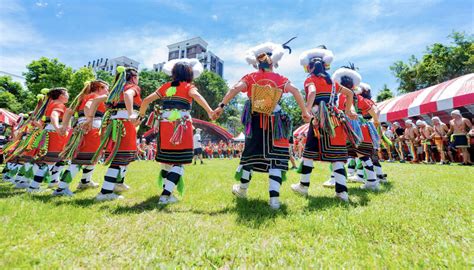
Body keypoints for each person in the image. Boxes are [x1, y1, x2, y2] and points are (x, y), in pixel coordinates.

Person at [214, 41, 311, 209]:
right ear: (274, 62)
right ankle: (274, 201)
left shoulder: (251, 77)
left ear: (257, 62)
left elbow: (235, 88)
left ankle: (242, 189)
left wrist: (221, 106)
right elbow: (295, 91)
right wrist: (304, 112)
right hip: (276, 122)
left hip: (256, 121)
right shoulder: (281, 79)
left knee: (250, 156)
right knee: (276, 159)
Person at [139, 58, 214, 204]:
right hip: (181, 125)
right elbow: (197, 96)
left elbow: (146, 100)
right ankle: (165, 195)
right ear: (189, 74)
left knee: (167, 161)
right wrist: (210, 111)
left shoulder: (166, 87)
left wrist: (140, 115)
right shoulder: (188, 87)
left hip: (164, 125)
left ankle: (168, 193)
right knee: (179, 161)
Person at [290, 47, 357, 201]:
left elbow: (312, 92)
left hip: (320, 121)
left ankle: (303, 186)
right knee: (337, 158)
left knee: (308, 154)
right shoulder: (332, 82)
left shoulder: (310, 80)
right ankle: (342, 193)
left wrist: (306, 111)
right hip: (336, 120)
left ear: (310, 67)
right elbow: (350, 93)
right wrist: (346, 111)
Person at [86, 67, 142, 201]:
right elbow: (128, 95)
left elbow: (94, 101)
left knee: (119, 157)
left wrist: (89, 119)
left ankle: (117, 184)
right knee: (119, 159)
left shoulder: (114, 91)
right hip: (124, 124)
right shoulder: (132, 87)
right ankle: (105, 192)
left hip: (113, 124)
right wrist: (130, 114)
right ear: (133, 77)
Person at [53, 80, 110, 196]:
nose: (108, 91)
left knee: (91, 158)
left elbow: (69, 111)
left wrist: (63, 126)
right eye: (106, 89)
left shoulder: (82, 97)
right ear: (99, 88)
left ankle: (85, 181)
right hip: (91, 128)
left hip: (81, 127)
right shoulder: (96, 96)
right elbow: (89, 105)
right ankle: (61, 189)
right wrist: (90, 118)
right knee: (78, 161)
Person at [27, 88, 70, 193]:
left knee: (60, 160)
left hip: (49, 133)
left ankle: (54, 181)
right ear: (61, 96)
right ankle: (33, 187)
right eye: (67, 93)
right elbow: (54, 115)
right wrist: (57, 128)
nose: (68, 95)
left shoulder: (49, 104)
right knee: (49, 162)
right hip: (55, 135)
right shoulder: (59, 104)